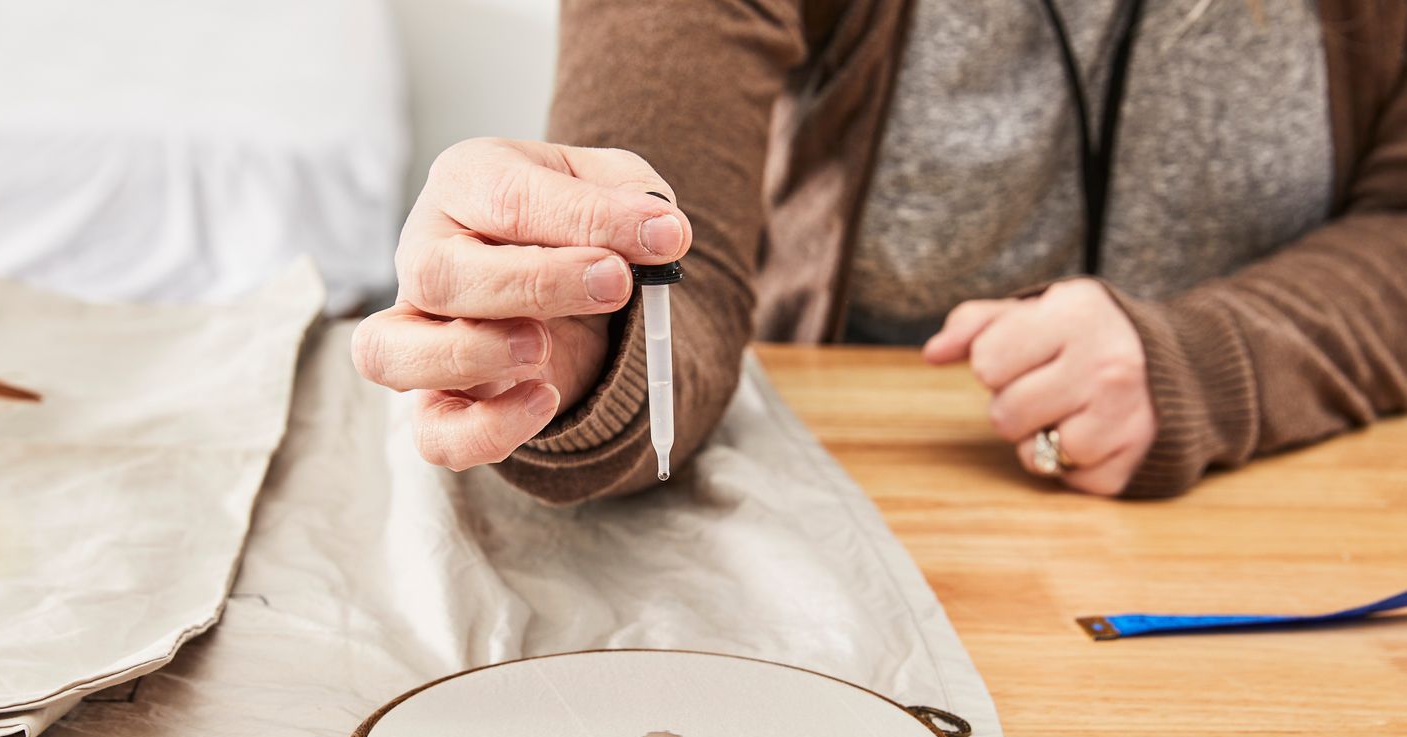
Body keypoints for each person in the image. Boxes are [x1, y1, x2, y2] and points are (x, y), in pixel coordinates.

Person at [351, 0, 1407, 505]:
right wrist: (588, 341)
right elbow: (672, 248)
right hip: (864, 515)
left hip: (1290, 526)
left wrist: (1204, 364)